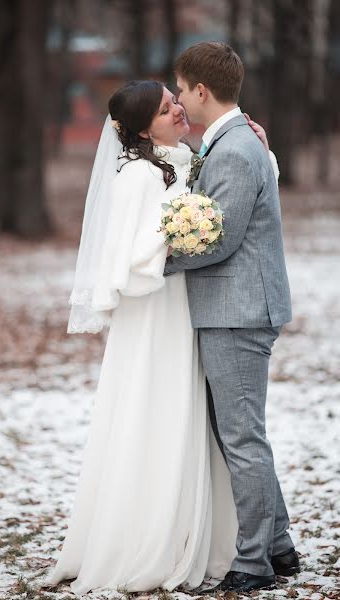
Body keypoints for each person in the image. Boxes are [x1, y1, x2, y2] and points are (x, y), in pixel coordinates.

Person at [45, 73, 288, 595]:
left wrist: (262, 156)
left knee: (216, 425)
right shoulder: (137, 177)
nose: (176, 111)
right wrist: (173, 240)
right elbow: (126, 261)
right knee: (163, 415)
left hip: (188, 310)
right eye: (163, 110)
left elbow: (234, 186)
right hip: (157, 315)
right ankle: (154, 536)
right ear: (140, 131)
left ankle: (242, 538)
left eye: (174, 101)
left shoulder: (181, 161)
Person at [164, 42, 299, 594]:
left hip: (239, 310)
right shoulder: (232, 142)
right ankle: (279, 544)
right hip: (234, 308)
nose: (177, 100)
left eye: (180, 89)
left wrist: (156, 260)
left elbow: (220, 241)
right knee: (239, 434)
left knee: (243, 438)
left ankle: (254, 563)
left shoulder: (235, 151)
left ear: (201, 90)